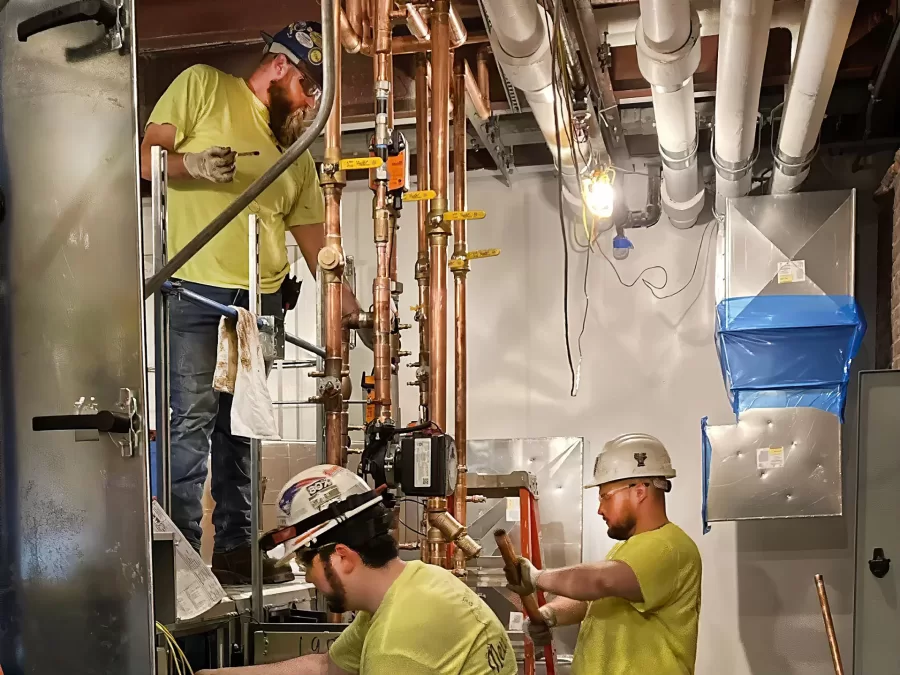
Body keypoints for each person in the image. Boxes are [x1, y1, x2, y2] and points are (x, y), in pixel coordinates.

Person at [140, 22, 369, 584]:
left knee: (243, 429)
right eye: (311, 89)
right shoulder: (204, 87)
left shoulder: (295, 156)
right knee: (188, 426)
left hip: (259, 305)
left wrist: (354, 309)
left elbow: (318, 248)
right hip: (194, 290)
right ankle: (181, 558)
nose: (313, 104)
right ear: (282, 67)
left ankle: (236, 550)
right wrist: (185, 166)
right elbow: (141, 159)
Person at [198, 465, 517, 675]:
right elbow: (326, 666)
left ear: (341, 557)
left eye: (305, 563)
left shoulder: (394, 650)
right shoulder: (419, 580)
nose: (307, 576)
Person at [509, 433, 701, 675]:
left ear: (639, 491)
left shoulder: (670, 547)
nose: (600, 509)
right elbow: (591, 601)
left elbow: (600, 581)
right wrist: (549, 615)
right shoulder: (629, 549)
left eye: (605, 497)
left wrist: (537, 578)